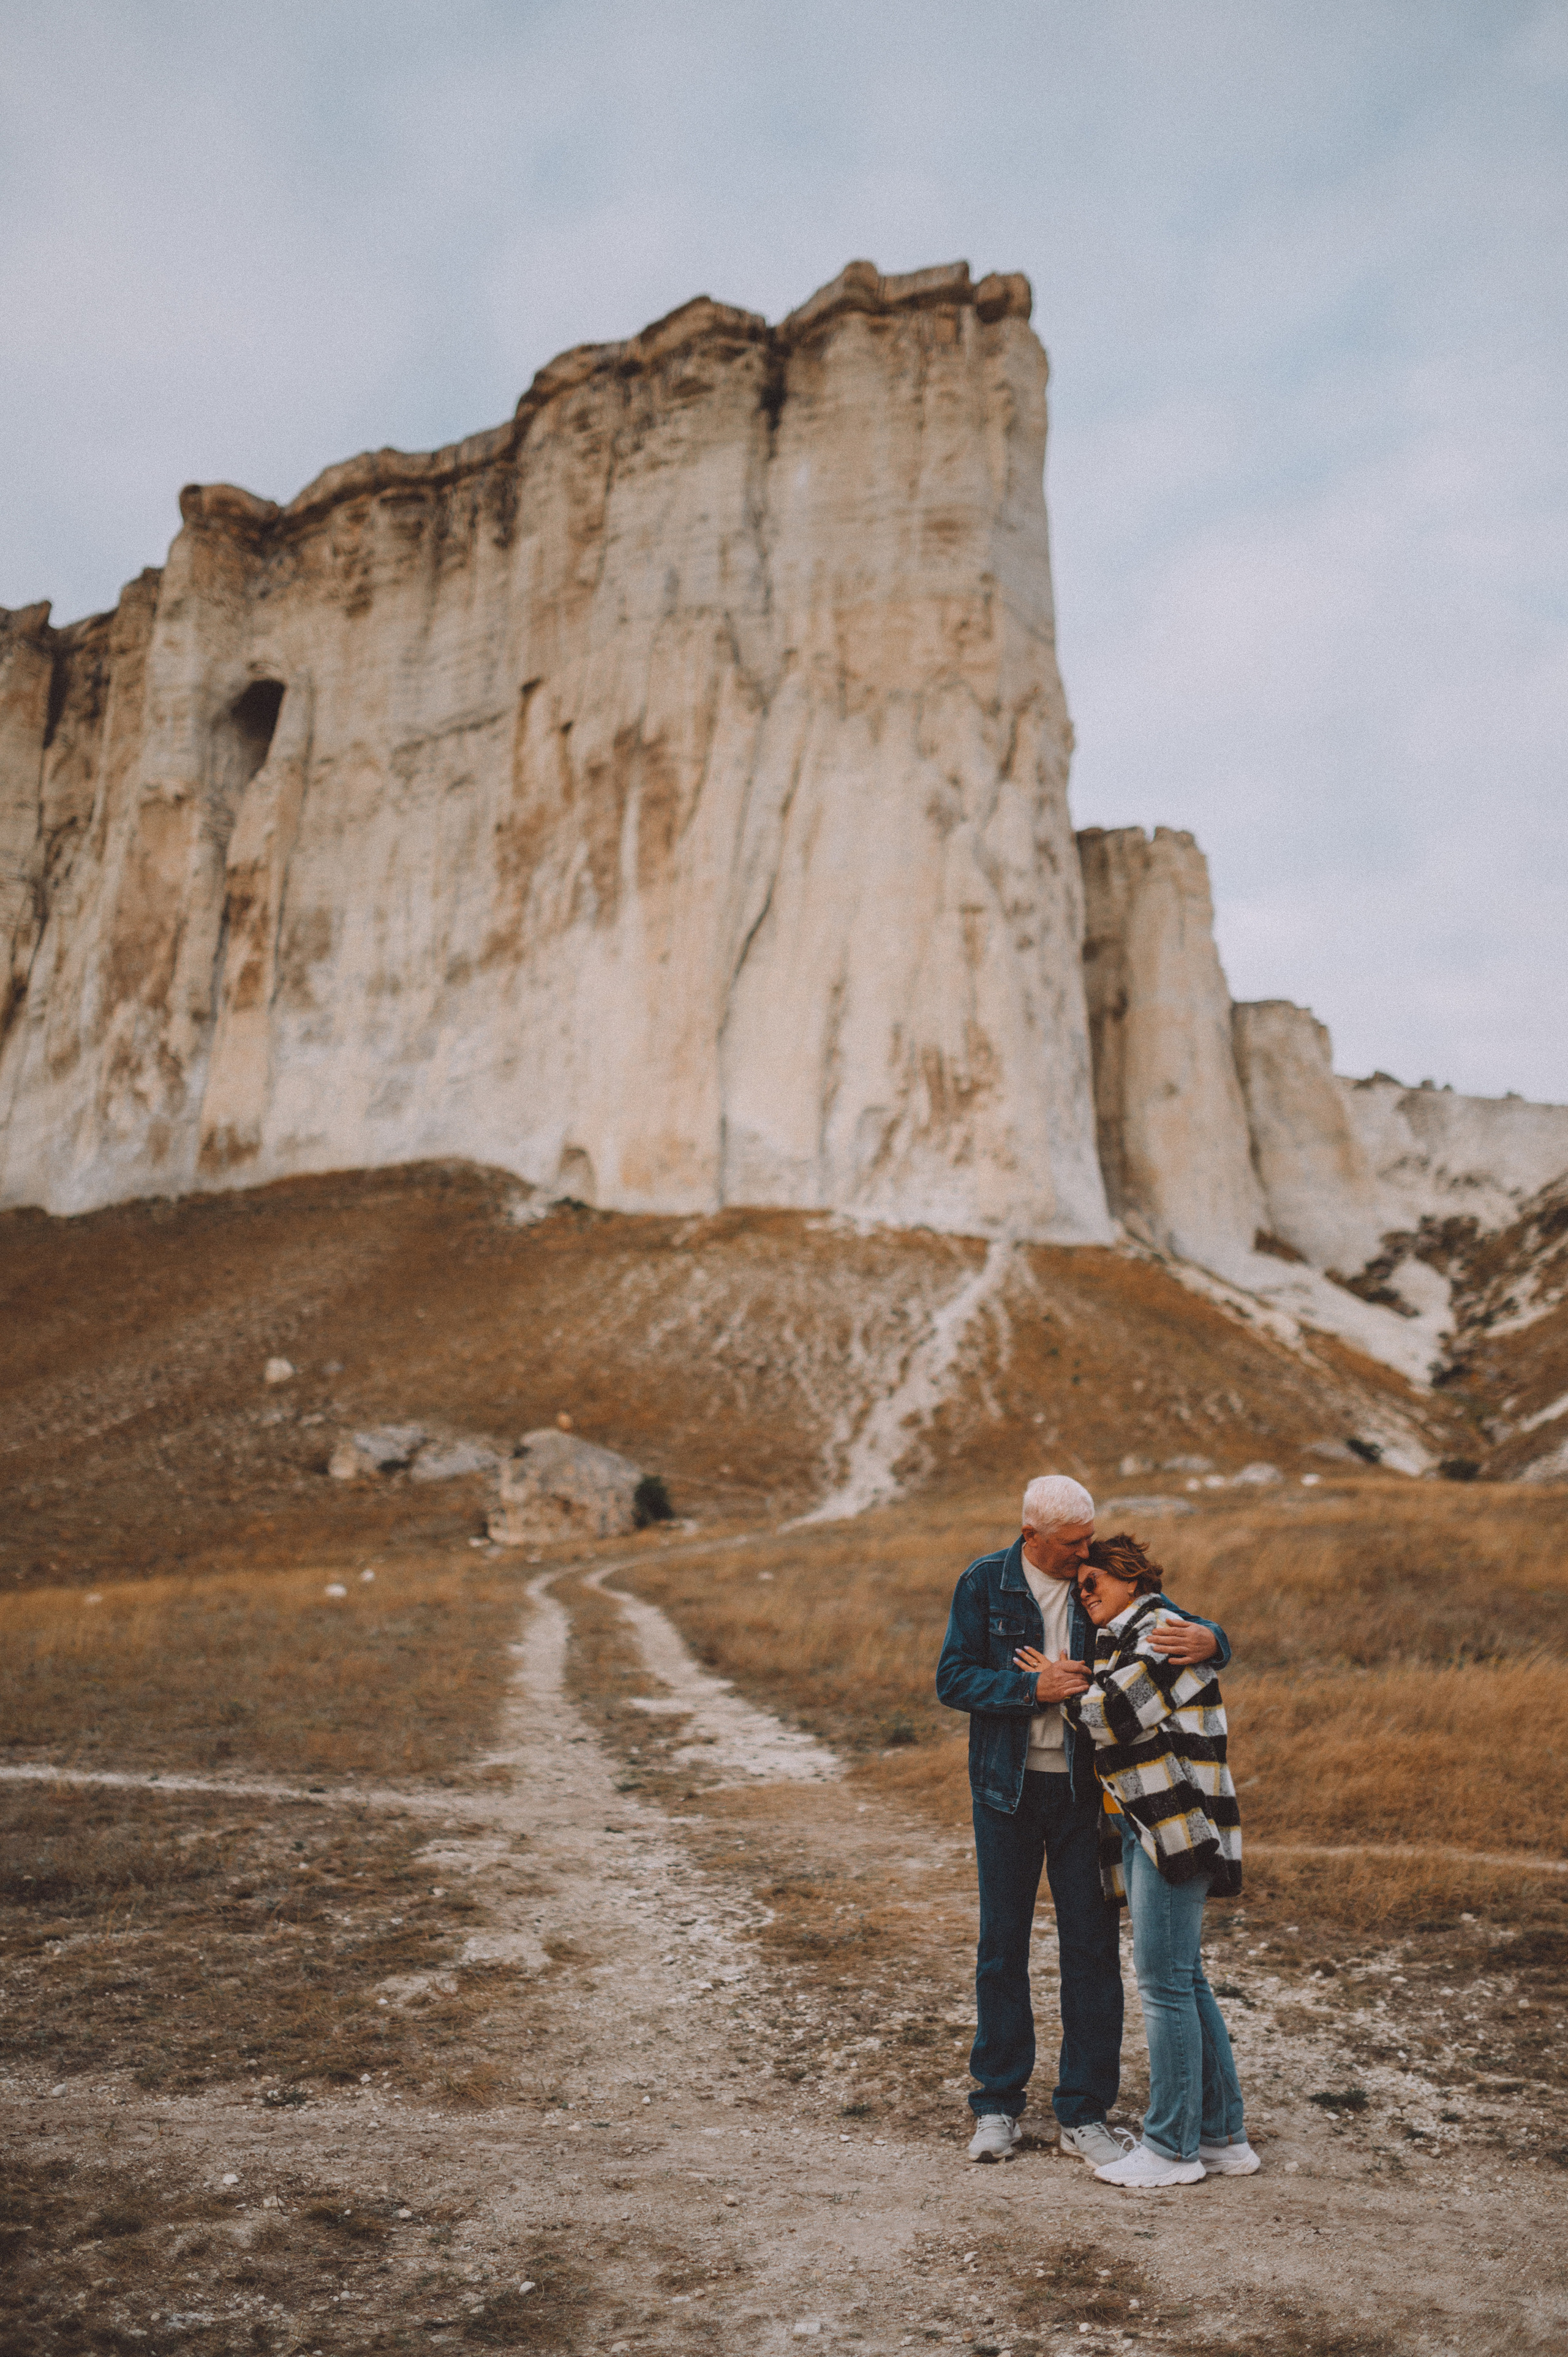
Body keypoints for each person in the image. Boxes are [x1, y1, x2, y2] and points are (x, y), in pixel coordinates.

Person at [935, 1475, 1231, 2166]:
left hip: (1086, 1796)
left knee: (1091, 1952)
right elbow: (953, 1678)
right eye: (1071, 1542)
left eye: (1088, 1538)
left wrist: (1213, 1637)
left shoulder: (1094, 1577)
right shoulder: (983, 1583)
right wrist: (1029, 1687)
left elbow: (1177, 1624)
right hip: (1003, 1793)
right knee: (1001, 1948)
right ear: (1030, 1535)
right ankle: (997, 2105)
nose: (1083, 1553)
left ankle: (1084, 2112)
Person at [1055, 1532, 1257, 2187]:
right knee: (1184, 1978)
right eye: (1078, 1587)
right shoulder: (1124, 1637)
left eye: (1094, 1581)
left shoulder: (1163, 1632)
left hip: (1175, 1827)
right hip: (1150, 1824)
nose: (1085, 1595)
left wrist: (1062, 1688)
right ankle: (1223, 2137)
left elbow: (1113, 1714)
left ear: (1131, 1577)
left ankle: (1171, 2149)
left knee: (1164, 1984)